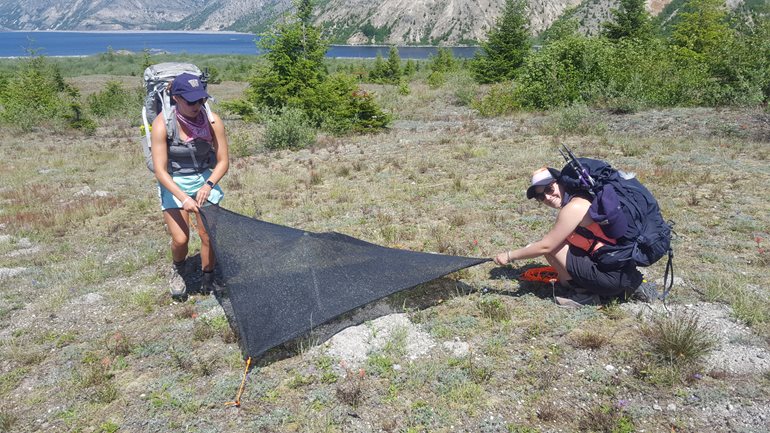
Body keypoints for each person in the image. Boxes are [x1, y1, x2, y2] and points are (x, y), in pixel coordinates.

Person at [493, 167, 655, 307]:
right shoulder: (584, 197)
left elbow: (546, 246)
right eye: (540, 197)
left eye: (549, 189)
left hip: (611, 277)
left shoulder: (574, 207)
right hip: (620, 269)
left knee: (552, 247)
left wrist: (509, 256)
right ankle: (621, 287)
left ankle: (585, 296)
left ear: (561, 182)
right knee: (553, 244)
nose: (547, 197)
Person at [151, 72, 229, 297]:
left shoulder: (213, 121)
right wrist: (184, 197)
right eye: (191, 101)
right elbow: (160, 170)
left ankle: (208, 276)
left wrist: (209, 185)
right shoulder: (162, 124)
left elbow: (223, 161)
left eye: (201, 99)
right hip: (174, 182)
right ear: (176, 98)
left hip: (203, 178)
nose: (198, 105)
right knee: (181, 238)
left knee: (208, 235)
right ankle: (177, 268)